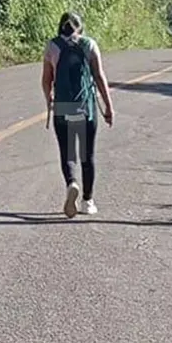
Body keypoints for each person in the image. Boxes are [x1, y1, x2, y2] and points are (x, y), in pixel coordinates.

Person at [41, 12, 115, 218]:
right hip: (86, 107)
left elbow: (46, 80)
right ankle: (88, 200)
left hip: (64, 106)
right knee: (87, 154)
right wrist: (108, 107)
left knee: (67, 153)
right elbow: (99, 77)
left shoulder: (52, 46)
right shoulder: (90, 45)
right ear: (80, 28)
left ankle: (71, 183)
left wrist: (49, 101)